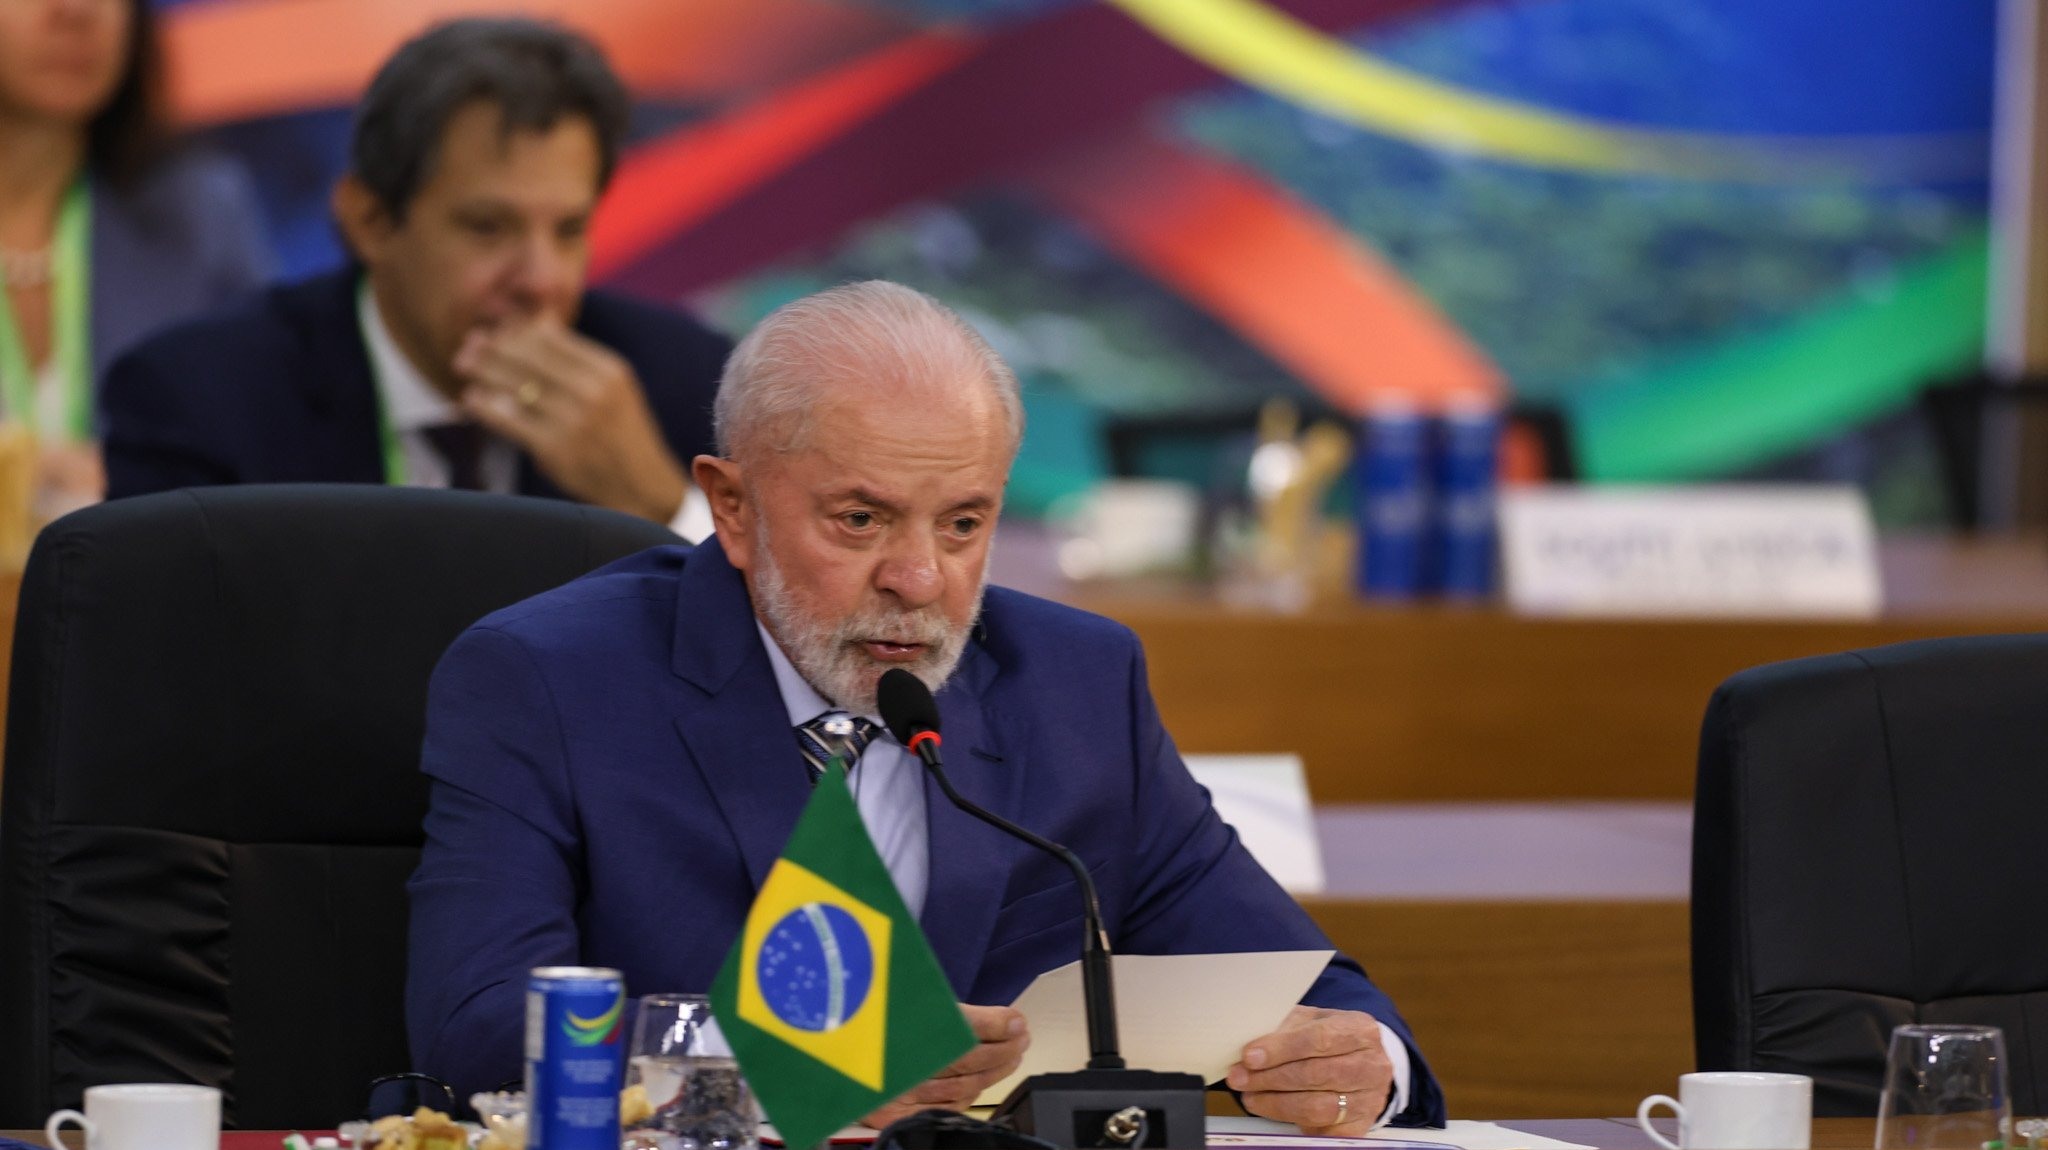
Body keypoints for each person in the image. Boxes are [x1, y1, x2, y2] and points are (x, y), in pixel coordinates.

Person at [407, 281, 1446, 1131]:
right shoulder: (545, 679)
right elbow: (482, 1027)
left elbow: (1308, 988)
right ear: (731, 507)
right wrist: (796, 1067)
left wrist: (1362, 1059)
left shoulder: (1075, 685)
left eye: (962, 524)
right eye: (859, 519)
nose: (918, 577)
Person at [98, 18, 727, 532]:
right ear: (369, 219)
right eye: (488, 227)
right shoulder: (202, 400)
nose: (541, 280)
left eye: (568, 231)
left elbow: (781, 661)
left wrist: (662, 509)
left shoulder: (690, 386)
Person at [0, 0, 270, 517]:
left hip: (144, 587)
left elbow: (267, 444)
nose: (77, 11)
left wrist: (139, 475)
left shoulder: (201, 213)